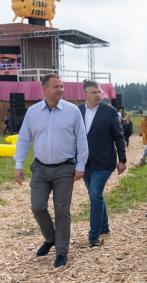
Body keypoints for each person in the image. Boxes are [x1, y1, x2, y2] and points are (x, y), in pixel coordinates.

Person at [14, 74, 88, 267]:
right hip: (40, 168)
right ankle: (51, 238)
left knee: (62, 211)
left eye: (62, 87)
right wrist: (18, 165)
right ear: (44, 89)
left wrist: (80, 166)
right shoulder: (33, 112)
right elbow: (23, 139)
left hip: (65, 168)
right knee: (37, 207)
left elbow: (81, 139)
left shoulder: (72, 111)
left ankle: (62, 252)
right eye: (56, 87)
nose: (60, 90)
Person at [78, 80, 127, 246]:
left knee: (94, 195)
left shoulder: (110, 111)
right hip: (84, 163)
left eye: (99, 92)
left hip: (104, 162)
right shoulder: (77, 111)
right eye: (94, 92)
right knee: (96, 196)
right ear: (85, 94)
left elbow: (119, 136)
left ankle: (93, 236)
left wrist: (122, 160)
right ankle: (104, 226)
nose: (98, 95)